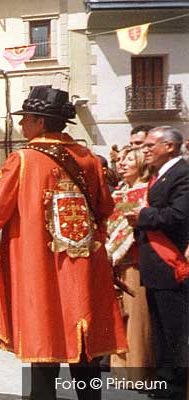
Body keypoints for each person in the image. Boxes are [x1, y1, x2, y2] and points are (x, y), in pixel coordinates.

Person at [0, 86, 125, 400]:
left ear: (40, 122)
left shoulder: (23, 159)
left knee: (44, 344)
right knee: (85, 348)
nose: (21, 125)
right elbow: (105, 206)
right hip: (86, 266)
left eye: (26, 119)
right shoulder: (90, 160)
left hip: (43, 267)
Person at [124, 126, 189, 397]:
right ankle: (164, 382)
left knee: (175, 332)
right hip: (155, 266)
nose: (146, 150)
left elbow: (178, 215)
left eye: (151, 145)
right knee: (159, 331)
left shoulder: (182, 175)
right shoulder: (161, 175)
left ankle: (174, 386)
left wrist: (144, 216)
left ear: (170, 147)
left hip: (169, 263)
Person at [107, 145, 154, 384]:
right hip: (117, 260)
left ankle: (137, 372)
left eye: (128, 160)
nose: (122, 164)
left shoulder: (145, 191)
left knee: (136, 317)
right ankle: (120, 369)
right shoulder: (119, 192)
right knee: (119, 315)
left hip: (135, 259)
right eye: (121, 160)